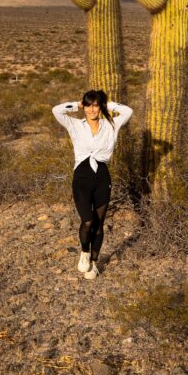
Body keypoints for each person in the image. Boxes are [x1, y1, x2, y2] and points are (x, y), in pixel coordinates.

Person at [52, 90, 132, 280]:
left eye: (95, 105)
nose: (91, 109)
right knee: (87, 221)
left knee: (99, 223)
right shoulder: (74, 124)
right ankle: (84, 252)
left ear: (100, 107)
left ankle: (94, 265)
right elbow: (56, 110)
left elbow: (128, 111)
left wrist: (107, 104)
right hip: (82, 176)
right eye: (88, 105)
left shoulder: (111, 124)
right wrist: (77, 104)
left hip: (102, 177)